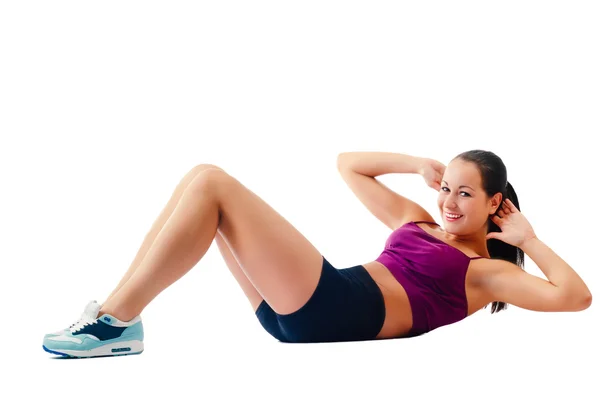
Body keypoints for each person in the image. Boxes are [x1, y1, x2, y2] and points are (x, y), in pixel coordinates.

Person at [42, 150, 592, 357]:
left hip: (333, 307)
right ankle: (116, 316)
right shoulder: (417, 218)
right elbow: (348, 163)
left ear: (496, 202)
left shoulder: (485, 272)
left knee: (214, 183)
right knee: (199, 178)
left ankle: (117, 322)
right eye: (446, 187)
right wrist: (417, 163)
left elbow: (576, 298)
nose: (447, 200)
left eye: (465, 193)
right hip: (299, 312)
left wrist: (528, 240)